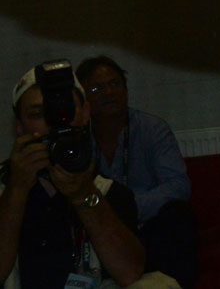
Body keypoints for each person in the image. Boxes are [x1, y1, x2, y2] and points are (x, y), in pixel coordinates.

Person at [1, 62, 150, 288]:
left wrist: (84, 195)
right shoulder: (5, 191)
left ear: (85, 114)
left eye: (65, 110)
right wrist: (17, 189)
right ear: (20, 127)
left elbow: (130, 273)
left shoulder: (106, 191)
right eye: (39, 114)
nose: (53, 126)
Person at [76, 56, 197, 288]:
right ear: (83, 99)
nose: (108, 92)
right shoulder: (77, 141)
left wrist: (128, 207)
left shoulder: (152, 129)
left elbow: (178, 186)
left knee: (179, 214)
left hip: (150, 229)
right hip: (103, 237)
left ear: (126, 90)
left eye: (114, 84)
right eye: (96, 88)